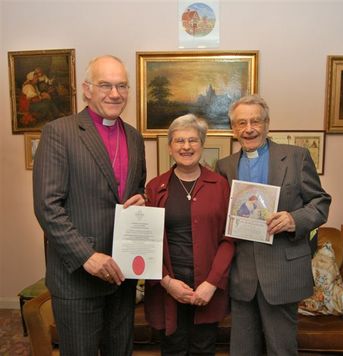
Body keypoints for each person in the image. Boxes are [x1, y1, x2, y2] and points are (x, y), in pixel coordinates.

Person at [33, 55, 147, 356]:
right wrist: (87, 256)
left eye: (122, 86)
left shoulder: (134, 137)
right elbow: (47, 206)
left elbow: (135, 189)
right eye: (105, 85)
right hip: (78, 278)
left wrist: (142, 199)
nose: (115, 93)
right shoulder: (59, 132)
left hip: (121, 276)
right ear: (86, 89)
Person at [215, 94, 331, 356]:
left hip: (282, 272)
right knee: (242, 351)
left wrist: (293, 219)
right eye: (241, 123)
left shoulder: (296, 157)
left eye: (255, 121)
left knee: (282, 350)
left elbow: (321, 203)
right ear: (233, 129)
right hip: (242, 276)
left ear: (267, 124)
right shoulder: (224, 166)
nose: (249, 129)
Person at [143, 114, 234, 355]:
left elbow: (229, 239)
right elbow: (147, 241)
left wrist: (211, 284)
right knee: (172, 348)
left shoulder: (220, 185)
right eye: (179, 141)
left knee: (204, 349)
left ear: (202, 145)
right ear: (170, 147)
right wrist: (167, 282)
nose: (186, 147)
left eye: (193, 140)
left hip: (206, 286)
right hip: (168, 287)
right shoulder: (154, 187)